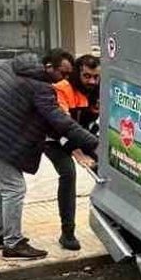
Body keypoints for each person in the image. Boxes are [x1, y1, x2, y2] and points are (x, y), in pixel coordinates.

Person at [0, 49, 98, 260]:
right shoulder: (42, 88)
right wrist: (95, 144)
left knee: (3, 185)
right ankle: (13, 244)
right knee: (14, 188)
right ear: (49, 67)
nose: (64, 78)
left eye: (68, 74)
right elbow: (60, 121)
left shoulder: (11, 65)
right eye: (62, 73)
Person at [45, 53, 101, 251]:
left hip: (80, 136)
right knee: (68, 173)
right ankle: (67, 233)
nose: (92, 81)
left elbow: (93, 123)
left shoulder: (97, 90)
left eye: (96, 77)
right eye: (87, 76)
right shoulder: (61, 89)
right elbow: (61, 127)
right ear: (77, 73)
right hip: (53, 138)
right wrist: (78, 154)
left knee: (109, 166)